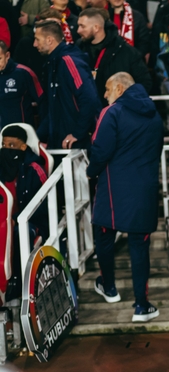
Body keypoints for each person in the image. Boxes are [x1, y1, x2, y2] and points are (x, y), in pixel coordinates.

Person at [87, 72, 161, 321]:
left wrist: (90, 172)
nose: (104, 95)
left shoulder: (112, 112)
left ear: (119, 88)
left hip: (113, 189)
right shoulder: (154, 112)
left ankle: (109, 288)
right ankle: (142, 305)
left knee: (104, 236)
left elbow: (100, 149)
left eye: (107, 89)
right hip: (145, 189)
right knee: (139, 246)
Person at [34, 19, 100, 151]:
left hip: (78, 143)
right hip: (62, 141)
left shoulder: (69, 62)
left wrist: (78, 133)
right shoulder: (52, 63)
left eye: (37, 39)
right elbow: (54, 109)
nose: (34, 44)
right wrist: (37, 137)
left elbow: (90, 99)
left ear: (49, 40)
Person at [0, 124, 48, 301]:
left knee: (20, 232)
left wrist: (15, 219)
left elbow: (43, 205)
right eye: (4, 145)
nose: (6, 149)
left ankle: (20, 284)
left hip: (29, 222)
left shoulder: (34, 168)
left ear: (23, 146)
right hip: (3, 220)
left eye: (11, 146)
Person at [76, 8, 151, 103]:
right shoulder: (77, 50)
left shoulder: (126, 51)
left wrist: (124, 105)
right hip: (86, 113)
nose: (78, 30)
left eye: (82, 26)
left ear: (96, 28)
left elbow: (145, 82)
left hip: (117, 114)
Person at [0, 40, 42, 128]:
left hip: (20, 134)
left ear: (7, 55)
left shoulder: (23, 73)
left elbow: (43, 101)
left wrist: (42, 132)